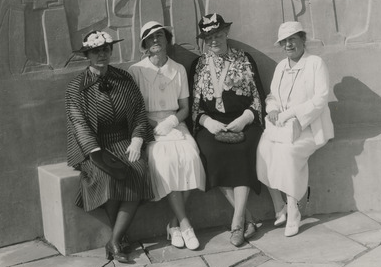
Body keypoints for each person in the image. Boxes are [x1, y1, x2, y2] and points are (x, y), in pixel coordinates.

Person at [65, 30, 154, 263]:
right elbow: (79, 124)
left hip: (123, 140)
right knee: (108, 176)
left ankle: (114, 240)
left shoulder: (124, 79)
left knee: (138, 170)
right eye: (96, 51)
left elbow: (139, 113)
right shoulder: (76, 88)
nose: (102, 54)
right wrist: (96, 154)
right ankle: (119, 239)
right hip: (94, 147)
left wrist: (137, 138)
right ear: (88, 55)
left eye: (105, 49)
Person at [189, 13, 266, 246]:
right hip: (212, 124)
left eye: (218, 34)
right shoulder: (198, 65)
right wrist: (205, 122)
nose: (214, 40)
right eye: (209, 36)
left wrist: (246, 117)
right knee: (211, 154)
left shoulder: (245, 59)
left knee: (243, 151)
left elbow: (258, 96)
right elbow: (194, 105)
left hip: (243, 121)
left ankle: (237, 223)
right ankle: (247, 219)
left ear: (226, 33)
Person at [129, 21, 206, 250]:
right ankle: (185, 224)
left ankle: (173, 224)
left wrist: (172, 121)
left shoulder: (179, 69)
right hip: (148, 126)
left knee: (191, 157)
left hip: (176, 123)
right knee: (166, 161)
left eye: (160, 36)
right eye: (150, 37)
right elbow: (135, 108)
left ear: (167, 39)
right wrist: (154, 124)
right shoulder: (136, 71)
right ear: (144, 43)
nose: (156, 41)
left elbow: (184, 107)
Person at [257, 22, 334, 236]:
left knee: (288, 153)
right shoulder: (281, 66)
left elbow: (320, 99)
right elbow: (272, 95)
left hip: (311, 128)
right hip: (283, 127)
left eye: (293, 39)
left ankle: (294, 210)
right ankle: (278, 206)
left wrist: (291, 114)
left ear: (302, 39)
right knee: (263, 149)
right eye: (284, 41)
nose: (288, 44)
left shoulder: (315, 63)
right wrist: (272, 109)